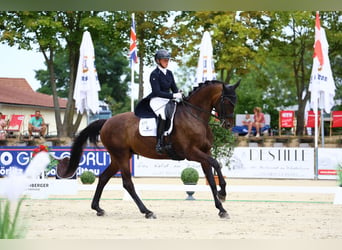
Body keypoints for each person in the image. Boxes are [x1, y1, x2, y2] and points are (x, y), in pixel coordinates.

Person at [134, 49, 182, 154]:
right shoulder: (154, 74)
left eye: (167, 60)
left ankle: (172, 138)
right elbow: (157, 92)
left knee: (177, 113)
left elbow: (174, 87)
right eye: (164, 60)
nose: (166, 62)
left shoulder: (169, 73)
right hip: (156, 100)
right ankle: (159, 143)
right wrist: (173, 95)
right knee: (163, 115)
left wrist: (178, 93)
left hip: (168, 99)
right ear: (158, 61)